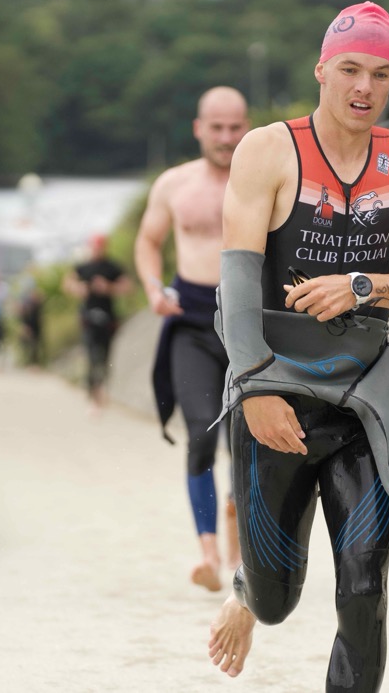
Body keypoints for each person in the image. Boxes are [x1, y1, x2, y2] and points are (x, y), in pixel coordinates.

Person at [208, 1, 389, 690]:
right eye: (350, 70)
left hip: (360, 406)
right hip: (275, 395)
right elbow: (236, 289)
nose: (365, 87)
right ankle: (249, 591)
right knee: (277, 600)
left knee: (365, 588)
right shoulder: (269, 150)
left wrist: (362, 287)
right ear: (321, 70)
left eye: (381, 74)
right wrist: (254, 390)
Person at [135, 86, 250, 593]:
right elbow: (148, 240)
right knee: (201, 431)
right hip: (189, 321)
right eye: (216, 127)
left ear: (246, 127)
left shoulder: (263, 179)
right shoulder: (174, 184)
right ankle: (208, 553)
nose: (226, 137)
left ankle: (237, 534)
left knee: (247, 440)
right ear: (199, 128)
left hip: (247, 322)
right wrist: (152, 288)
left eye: (234, 127)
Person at [62, 234, 130, 408]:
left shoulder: (112, 267)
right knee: (91, 354)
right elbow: (67, 283)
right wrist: (78, 288)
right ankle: (92, 391)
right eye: (94, 246)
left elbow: (127, 286)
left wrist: (108, 287)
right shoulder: (83, 267)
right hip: (88, 318)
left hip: (108, 319)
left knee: (106, 356)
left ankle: (102, 388)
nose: (97, 249)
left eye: (100, 246)